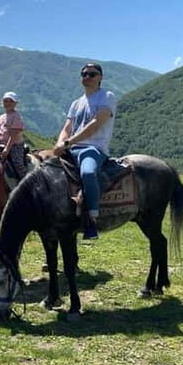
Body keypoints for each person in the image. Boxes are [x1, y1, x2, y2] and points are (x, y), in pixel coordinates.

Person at [53, 63, 116, 240]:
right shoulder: (76, 103)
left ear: (100, 77)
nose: (87, 77)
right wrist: (59, 144)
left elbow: (95, 124)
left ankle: (92, 218)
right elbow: (67, 127)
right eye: (84, 74)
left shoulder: (106, 96)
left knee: (88, 173)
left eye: (92, 74)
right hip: (71, 148)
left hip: (94, 148)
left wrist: (67, 142)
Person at [0, 91, 26, 179]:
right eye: (6, 101)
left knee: (17, 163)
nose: (8, 103)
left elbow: (13, 135)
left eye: (11, 101)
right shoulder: (1, 117)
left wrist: (7, 149)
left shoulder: (16, 116)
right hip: (0, 144)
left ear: (15, 103)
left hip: (14, 145)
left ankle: (26, 181)